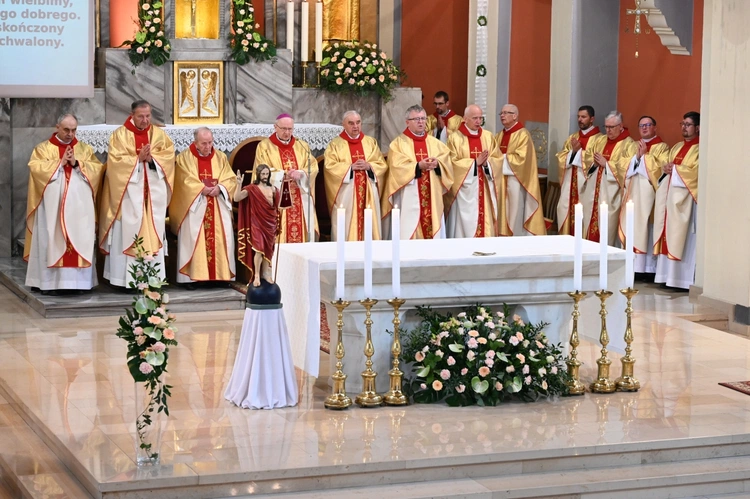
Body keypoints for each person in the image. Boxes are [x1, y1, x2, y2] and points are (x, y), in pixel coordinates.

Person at [24, 114, 106, 294]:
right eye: (66, 130)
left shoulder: (84, 149)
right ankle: (50, 284)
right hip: (51, 207)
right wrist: (59, 164)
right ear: (57, 127)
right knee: (50, 239)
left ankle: (79, 284)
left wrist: (77, 163)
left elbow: (97, 170)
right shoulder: (43, 149)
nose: (70, 134)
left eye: (74, 130)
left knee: (79, 239)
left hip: (79, 207)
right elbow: (36, 169)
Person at [99, 100, 175, 288]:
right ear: (132, 115)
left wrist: (153, 160)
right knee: (127, 230)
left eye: (148, 116)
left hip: (152, 198)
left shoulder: (158, 135)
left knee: (153, 230)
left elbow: (168, 157)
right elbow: (115, 165)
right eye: (141, 116)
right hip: (128, 196)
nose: (145, 120)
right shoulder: (120, 136)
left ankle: (152, 279)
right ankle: (125, 281)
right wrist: (136, 160)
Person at [170, 127, 237, 288]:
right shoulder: (184, 158)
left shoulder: (220, 157)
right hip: (195, 204)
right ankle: (192, 278)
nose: (208, 147)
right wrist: (201, 189)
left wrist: (220, 188)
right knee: (193, 236)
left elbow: (230, 178)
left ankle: (221, 276)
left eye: (210, 142)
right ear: (195, 143)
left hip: (218, 203)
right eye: (204, 143)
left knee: (223, 235)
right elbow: (183, 180)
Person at [382, 105, 453, 239]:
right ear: (407, 122)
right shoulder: (398, 144)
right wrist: (418, 166)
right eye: (416, 119)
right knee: (409, 227)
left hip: (432, 194)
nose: (421, 122)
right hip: (409, 195)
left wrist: (438, 164)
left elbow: (447, 163)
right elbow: (396, 168)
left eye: (423, 118)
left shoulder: (435, 143)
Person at [653, 112, 700, 290]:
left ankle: (680, 280)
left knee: (682, 237)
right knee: (669, 233)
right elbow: (665, 166)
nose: (684, 127)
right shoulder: (677, 147)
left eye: (688, 124)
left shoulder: (700, 149)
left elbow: (697, 173)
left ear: (697, 128)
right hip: (670, 199)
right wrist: (666, 168)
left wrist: (677, 170)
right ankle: (666, 277)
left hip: (686, 203)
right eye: (683, 124)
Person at [253, 113, 318, 243]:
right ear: (275, 127)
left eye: (290, 129)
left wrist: (301, 173)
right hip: (277, 197)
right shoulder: (264, 146)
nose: (287, 132)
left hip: (300, 195)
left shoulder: (302, 145)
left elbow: (313, 166)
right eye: (283, 129)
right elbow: (261, 170)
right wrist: (282, 175)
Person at [323, 110, 387, 241]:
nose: (355, 126)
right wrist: (350, 168)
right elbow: (329, 167)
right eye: (351, 123)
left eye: (358, 122)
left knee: (369, 223)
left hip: (368, 192)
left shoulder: (370, 142)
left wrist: (369, 166)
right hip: (347, 194)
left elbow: (381, 164)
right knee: (346, 225)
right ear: (343, 124)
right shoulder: (335, 144)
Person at [619, 115, 669, 275]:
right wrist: (637, 157)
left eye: (648, 125)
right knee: (633, 227)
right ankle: (632, 266)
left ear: (655, 127)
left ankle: (647, 269)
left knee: (646, 229)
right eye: (641, 126)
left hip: (650, 197)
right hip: (632, 195)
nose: (644, 128)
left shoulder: (662, 147)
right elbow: (621, 166)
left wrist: (645, 157)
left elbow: (661, 170)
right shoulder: (632, 146)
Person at [580, 110, 636, 246]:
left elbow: (628, 167)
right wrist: (594, 163)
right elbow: (588, 159)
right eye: (606, 127)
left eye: (612, 127)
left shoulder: (629, 144)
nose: (608, 130)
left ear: (621, 126)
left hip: (612, 195)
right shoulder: (600, 140)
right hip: (594, 193)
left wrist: (607, 165)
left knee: (607, 231)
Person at [445, 104, 501, 238]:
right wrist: (475, 163)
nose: (478, 121)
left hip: (484, 188)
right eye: (475, 118)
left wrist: (487, 163)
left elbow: (497, 159)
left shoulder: (488, 136)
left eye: (481, 118)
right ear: (465, 119)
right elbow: (451, 162)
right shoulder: (455, 138)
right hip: (464, 191)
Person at [495, 104, 546, 236]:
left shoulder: (523, 134)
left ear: (515, 116)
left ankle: (515, 238)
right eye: (501, 113)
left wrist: (499, 159)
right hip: (500, 181)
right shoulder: (499, 135)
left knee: (515, 212)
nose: (502, 116)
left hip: (516, 181)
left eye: (506, 113)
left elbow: (522, 159)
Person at [555, 105, 603, 235]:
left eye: (583, 117)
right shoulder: (573, 137)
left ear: (592, 119)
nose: (580, 120)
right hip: (570, 185)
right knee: (566, 210)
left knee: (585, 215)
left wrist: (578, 153)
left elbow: (596, 160)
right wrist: (573, 153)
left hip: (587, 185)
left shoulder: (600, 139)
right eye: (578, 117)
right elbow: (561, 157)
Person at [235, 164, 280, 288]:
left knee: (268, 250)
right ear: (258, 174)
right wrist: (239, 184)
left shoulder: (273, 189)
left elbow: (278, 205)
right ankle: (256, 275)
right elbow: (237, 198)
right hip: (257, 223)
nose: (265, 176)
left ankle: (266, 274)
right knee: (259, 249)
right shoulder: (252, 189)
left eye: (267, 174)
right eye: (263, 174)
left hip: (270, 223)